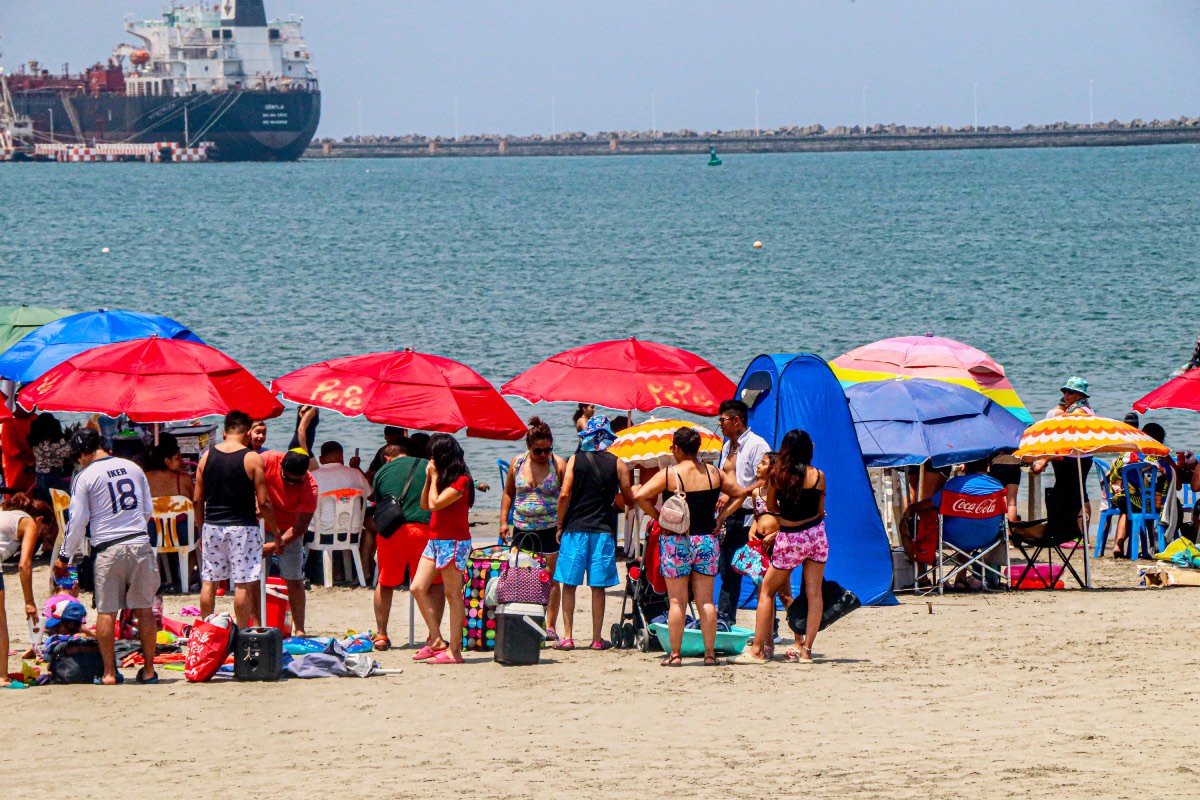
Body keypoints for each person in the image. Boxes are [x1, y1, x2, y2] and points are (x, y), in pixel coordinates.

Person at [53, 428, 158, 685]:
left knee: (107, 610)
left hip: (108, 548)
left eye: (78, 457)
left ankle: (110, 673)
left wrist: (64, 557)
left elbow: (77, 522)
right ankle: (148, 670)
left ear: (84, 453)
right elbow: (147, 511)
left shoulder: (84, 476)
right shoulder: (133, 467)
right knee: (144, 609)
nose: (78, 462)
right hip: (139, 542)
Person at [635, 427, 747, 666]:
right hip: (706, 540)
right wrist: (721, 517)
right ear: (697, 448)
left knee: (676, 601)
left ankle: (675, 654)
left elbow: (641, 496)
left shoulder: (669, 474)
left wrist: (658, 517)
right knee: (706, 601)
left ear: (676, 448)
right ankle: (708, 654)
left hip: (676, 540)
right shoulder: (712, 473)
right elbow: (740, 493)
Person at [731, 430, 828, 666]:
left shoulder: (777, 476)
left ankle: (757, 650)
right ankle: (806, 651)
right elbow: (820, 510)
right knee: (814, 594)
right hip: (816, 535)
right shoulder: (818, 476)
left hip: (790, 537)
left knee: (766, 590)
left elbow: (772, 507)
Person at [554, 416, 635, 651]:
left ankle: (567, 637)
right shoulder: (618, 463)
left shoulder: (574, 460)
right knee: (597, 586)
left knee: (569, 584)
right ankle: (597, 638)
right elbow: (628, 499)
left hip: (575, 530)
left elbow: (564, 495)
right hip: (602, 530)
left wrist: (560, 525)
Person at [194, 411, 277, 628]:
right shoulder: (251, 458)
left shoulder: (206, 456)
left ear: (226, 430)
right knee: (243, 584)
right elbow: (265, 502)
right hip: (243, 528)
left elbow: (197, 499)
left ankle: (206, 628)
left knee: (209, 581)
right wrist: (276, 533)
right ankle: (241, 631)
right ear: (248, 431)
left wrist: (200, 528)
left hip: (212, 526)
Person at [499, 417, 567, 641]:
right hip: (522, 528)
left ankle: (550, 625)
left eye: (548, 449)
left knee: (551, 577)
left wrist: (562, 525)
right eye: (538, 451)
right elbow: (508, 492)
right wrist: (503, 522)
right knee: (520, 574)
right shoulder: (518, 463)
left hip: (550, 529)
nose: (543, 455)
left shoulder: (558, 465)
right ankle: (524, 618)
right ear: (529, 447)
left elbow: (568, 497)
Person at [412, 433, 473, 665]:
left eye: (433, 456)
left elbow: (437, 503)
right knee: (418, 587)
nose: (430, 460)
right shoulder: (443, 480)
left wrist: (435, 476)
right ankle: (436, 639)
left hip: (454, 542)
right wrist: (429, 480)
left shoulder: (462, 480)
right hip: (436, 540)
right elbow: (426, 504)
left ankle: (455, 650)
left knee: (452, 595)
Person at [371, 440, 438, 651]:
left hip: (392, 532)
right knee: (433, 584)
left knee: (385, 581)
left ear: (386, 457)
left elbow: (379, 503)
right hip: (425, 529)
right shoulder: (428, 465)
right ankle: (432, 635)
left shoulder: (381, 471)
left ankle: (381, 634)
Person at [900, 458, 1005, 588]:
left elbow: (930, 504)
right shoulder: (998, 485)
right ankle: (960, 577)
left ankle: (922, 578)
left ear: (965, 466)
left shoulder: (955, 484)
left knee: (917, 526)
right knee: (969, 522)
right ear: (987, 466)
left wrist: (911, 508)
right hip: (988, 537)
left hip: (955, 536)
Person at [715, 399, 771, 627]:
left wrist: (738, 494)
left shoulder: (757, 445)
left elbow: (763, 480)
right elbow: (728, 478)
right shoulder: (727, 446)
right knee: (728, 570)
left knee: (759, 573)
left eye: (723, 420)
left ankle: (769, 626)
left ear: (736, 420)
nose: (720, 424)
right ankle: (725, 620)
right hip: (732, 516)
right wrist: (725, 496)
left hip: (752, 517)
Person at [0, 493, 56, 685]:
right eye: (43, 530)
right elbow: (24, 565)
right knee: (0, 622)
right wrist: (29, 602)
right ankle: (2, 677)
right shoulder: (29, 523)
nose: (39, 534)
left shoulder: (5, 513)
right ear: (39, 520)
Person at [261, 448, 318, 635]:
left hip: (290, 530)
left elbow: (300, 527)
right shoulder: (267, 460)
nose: (292, 484)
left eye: (297, 481)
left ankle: (299, 628)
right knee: (254, 579)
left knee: (294, 579)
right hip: (261, 525)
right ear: (280, 466)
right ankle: (255, 622)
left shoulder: (310, 487)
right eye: (288, 479)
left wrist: (276, 544)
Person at [1107, 423, 1175, 558]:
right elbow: (1175, 482)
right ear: (1160, 440)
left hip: (1130, 502)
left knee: (1126, 508)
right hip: (1155, 505)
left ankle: (1118, 544)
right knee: (1175, 505)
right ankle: (1164, 543)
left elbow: (1114, 476)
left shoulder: (1127, 456)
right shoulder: (1161, 459)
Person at [27, 413, 72, 501]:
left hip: (39, 476)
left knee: (44, 501)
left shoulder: (36, 442)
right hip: (53, 475)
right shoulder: (56, 443)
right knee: (59, 500)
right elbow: (68, 453)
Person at [144, 433, 195, 499]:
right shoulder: (184, 480)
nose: (181, 461)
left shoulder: (144, 477)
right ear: (167, 461)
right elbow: (195, 501)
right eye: (177, 458)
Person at [1, 407, 36, 493]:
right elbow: (12, 449)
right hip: (15, 468)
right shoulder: (8, 423)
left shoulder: (36, 419)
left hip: (35, 468)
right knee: (15, 496)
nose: (32, 408)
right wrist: (30, 462)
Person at [988, 455, 1022, 524]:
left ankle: (995, 529)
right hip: (1014, 464)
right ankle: (1011, 531)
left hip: (996, 464)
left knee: (993, 502)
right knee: (1011, 504)